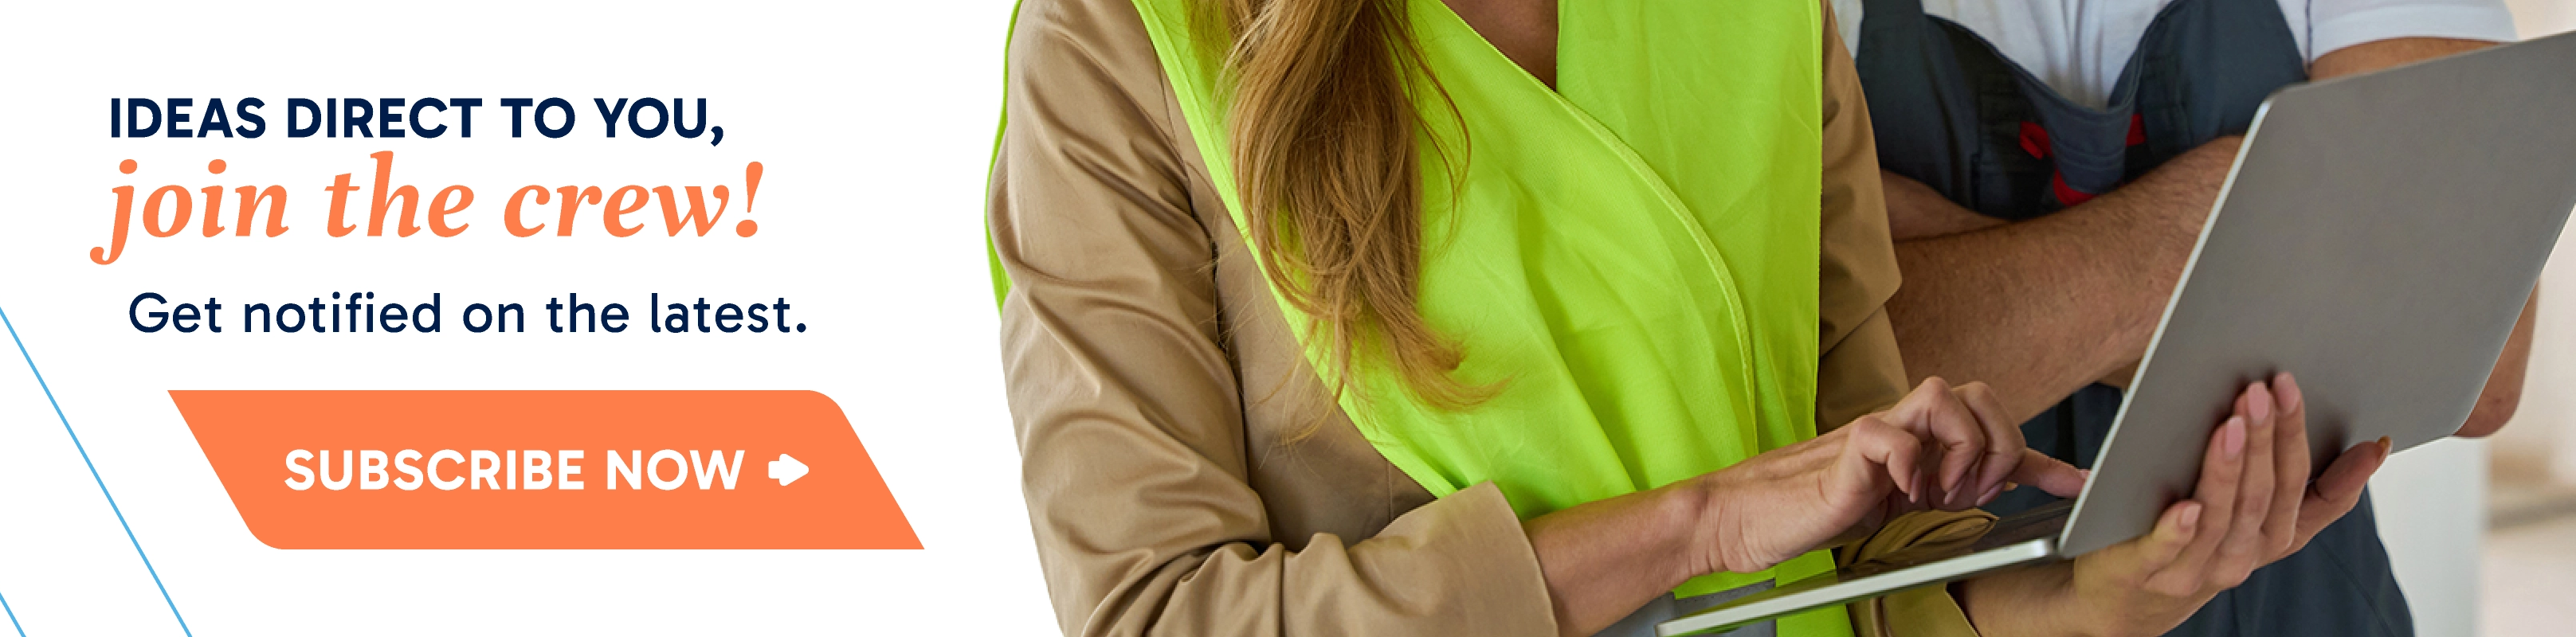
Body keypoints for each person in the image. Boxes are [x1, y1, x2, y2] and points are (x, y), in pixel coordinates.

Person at [987, 0, 2389, 635]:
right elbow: (1155, 615)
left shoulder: (1756, 15)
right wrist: (1700, 525)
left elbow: (1869, 571)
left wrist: (2096, 599)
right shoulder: (1121, 43)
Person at [1841, 1, 2534, 635]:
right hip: (1944, 611)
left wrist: (1952, 276)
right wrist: (2199, 224)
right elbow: (1820, 388)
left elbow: (2477, 359)